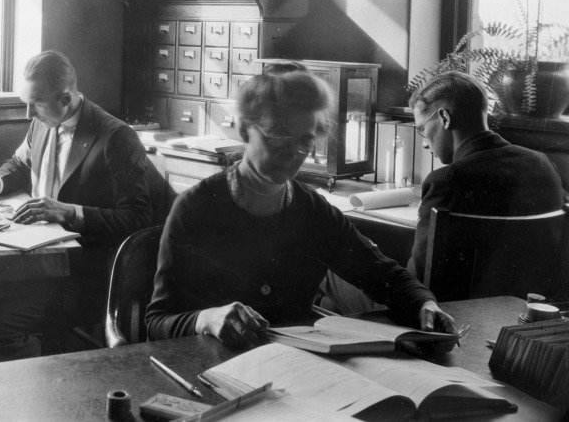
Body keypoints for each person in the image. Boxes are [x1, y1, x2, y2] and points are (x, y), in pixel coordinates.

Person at [145, 67, 458, 348]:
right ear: (244, 130)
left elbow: (380, 272)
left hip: (291, 368)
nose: (293, 152)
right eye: (280, 134)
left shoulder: (312, 211)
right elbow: (157, 322)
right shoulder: (197, 208)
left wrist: (423, 304)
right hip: (208, 364)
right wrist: (206, 319)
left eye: (305, 140)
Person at [320, 71, 565, 313]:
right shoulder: (543, 165)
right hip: (520, 311)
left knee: (329, 270)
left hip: (441, 312)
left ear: (444, 118)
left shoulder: (447, 180)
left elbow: (418, 279)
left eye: (422, 130)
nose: (425, 143)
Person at [0, 50, 152, 357]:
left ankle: (40, 390)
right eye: (25, 102)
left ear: (66, 98)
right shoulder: (42, 122)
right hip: (34, 262)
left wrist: (70, 212)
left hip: (82, 276)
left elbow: (138, 219)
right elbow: (20, 163)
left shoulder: (116, 137)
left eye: (36, 104)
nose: (28, 113)